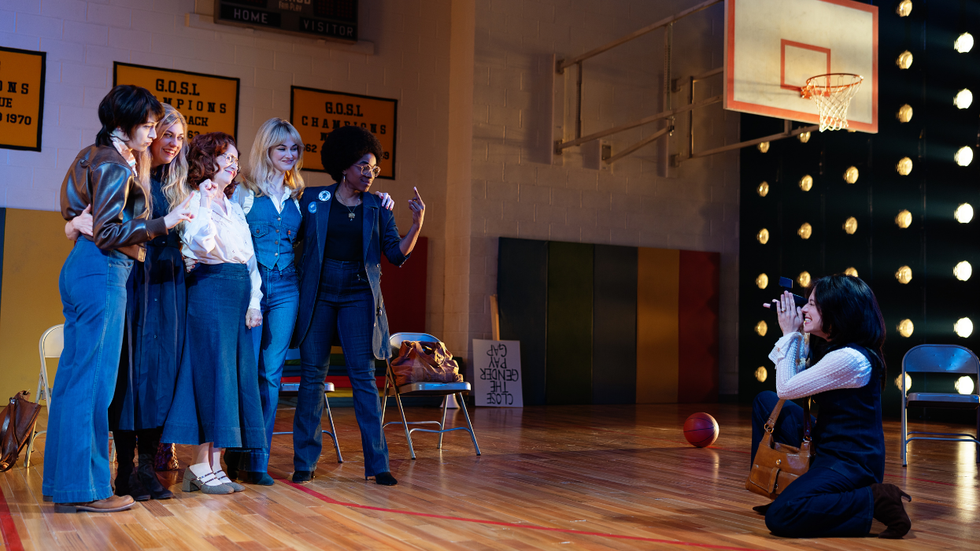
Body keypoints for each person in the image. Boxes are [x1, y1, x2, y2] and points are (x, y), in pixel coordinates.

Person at [46, 85, 192, 513]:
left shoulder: (92, 155)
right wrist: (164, 222)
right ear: (123, 125)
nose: (153, 134)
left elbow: (72, 209)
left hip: (84, 266)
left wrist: (74, 224)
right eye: (148, 126)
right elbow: (109, 232)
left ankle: (64, 484)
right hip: (104, 269)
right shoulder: (113, 163)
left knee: (74, 383)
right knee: (93, 386)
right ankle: (87, 490)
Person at [292, 125, 425, 486]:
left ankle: (378, 464)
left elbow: (395, 255)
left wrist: (416, 225)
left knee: (364, 379)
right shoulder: (313, 199)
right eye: (363, 166)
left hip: (358, 294)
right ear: (344, 166)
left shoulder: (377, 207)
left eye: (374, 169)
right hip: (318, 293)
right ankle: (304, 462)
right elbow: (291, 239)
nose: (370, 174)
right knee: (312, 378)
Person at [751, 274, 912, 538]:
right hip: (826, 444)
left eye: (812, 304)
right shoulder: (828, 346)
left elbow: (787, 388)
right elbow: (792, 379)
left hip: (852, 462)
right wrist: (799, 330)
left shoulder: (851, 359)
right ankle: (791, 491)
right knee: (764, 402)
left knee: (781, 516)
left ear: (839, 313)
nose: (804, 309)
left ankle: (875, 499)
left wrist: (790, 334)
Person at [161, 132, 264, 495]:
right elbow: (199, 244)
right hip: (209, 291)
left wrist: (254, 301)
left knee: (231, 378)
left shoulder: (234, 206)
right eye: (227, 157)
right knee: (210, 376)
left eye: (236, 158)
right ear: (207, 160)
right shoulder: (195, 198)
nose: (234, 164)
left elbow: (249, 258)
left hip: (237, 291)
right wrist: (205, 201)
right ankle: (199, 464)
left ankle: (215, 465)